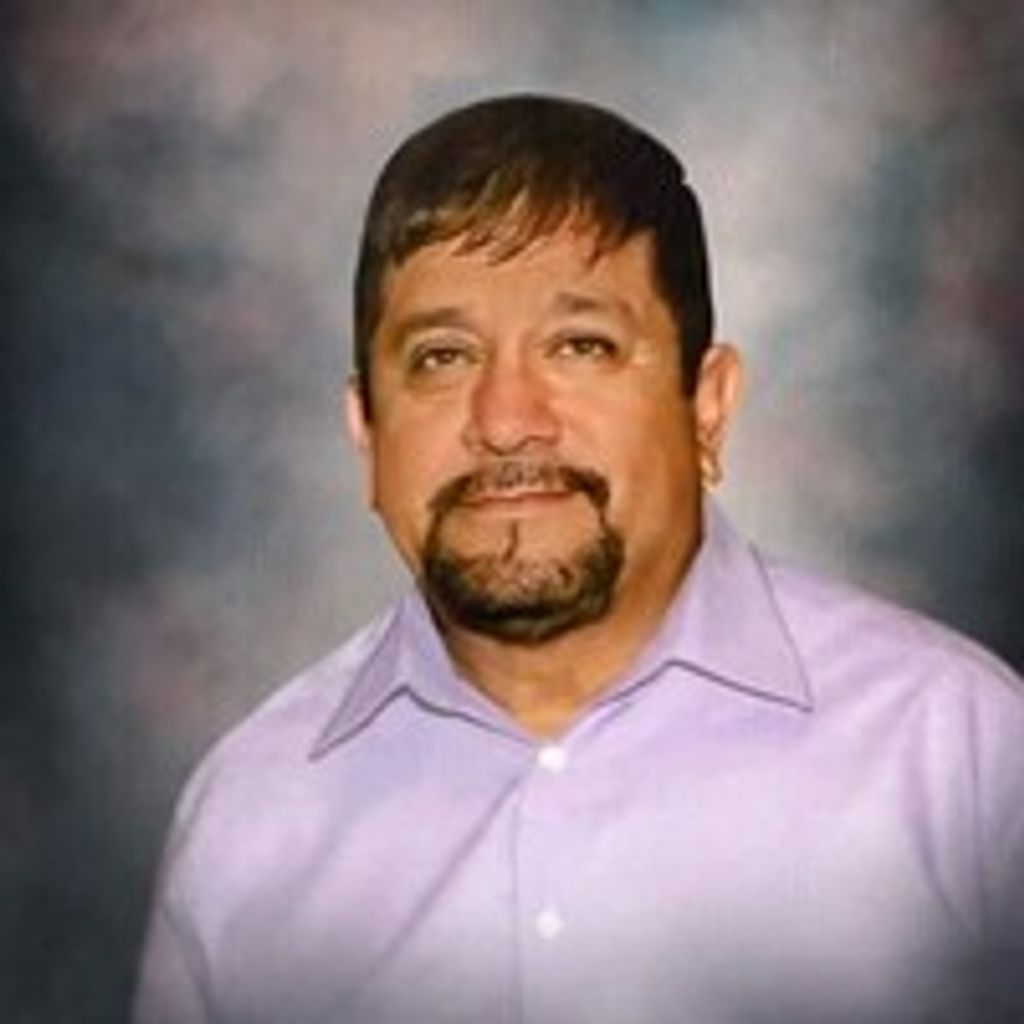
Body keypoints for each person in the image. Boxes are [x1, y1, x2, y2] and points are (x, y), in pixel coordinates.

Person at [134, 94, 1024, 1024]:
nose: (506, 420)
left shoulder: (958, 759)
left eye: (581, 346)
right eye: (442, 357)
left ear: (708, 406)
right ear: (367, 431)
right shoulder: (249, 821)